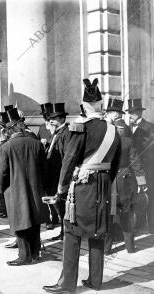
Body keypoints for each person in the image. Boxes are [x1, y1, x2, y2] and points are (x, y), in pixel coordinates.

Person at [43, 78, 121, 293]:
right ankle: (95, 281)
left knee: (72, 233)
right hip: (102, 187)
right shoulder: (114, 130)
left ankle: (67, 284)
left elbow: (68, 160)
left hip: (81, 189)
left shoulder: (79, 127)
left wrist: (61, 188)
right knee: (97, 233)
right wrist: (103, 182)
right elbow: (114, 166)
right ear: (101, 105)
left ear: (85, 106)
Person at [0, 108, 46, 266]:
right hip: (35, 188)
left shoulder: (6, 147)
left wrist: (2, 188)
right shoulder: (37, 144)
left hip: (15, 190)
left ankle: (24, 256)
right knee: (34, 219)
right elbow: (45, 168)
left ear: (10, 129)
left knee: (20, 221)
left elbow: (0, 172)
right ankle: (36, 253)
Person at [104, 119, 146, 254]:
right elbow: (135, 162)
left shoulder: (106, 142)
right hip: (125, 181)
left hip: (108, 181)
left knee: (108, 215)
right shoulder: (128, 141)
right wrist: (142, 182)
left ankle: (106, 248)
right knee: (127, 213)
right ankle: (130, 247)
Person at [126, 98, 154, 233]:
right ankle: (141, 223)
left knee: (150, 196)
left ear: (139, 113)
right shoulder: (128, 128)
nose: (130, 115)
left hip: (147, 169)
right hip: (134, 169)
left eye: (132, 113)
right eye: (129, 113)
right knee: (138, 197)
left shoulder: (150, 127)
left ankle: (152, 227)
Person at [44, 103, 71, 240]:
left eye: (53, 119)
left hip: (59, 175)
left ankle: (66, 233)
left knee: (62, 206)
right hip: (53, 175)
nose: (50, 121)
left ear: (61, 119)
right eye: (50, 119)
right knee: (59, 206)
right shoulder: (56, 133)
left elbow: (66, 157)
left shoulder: (66, 133)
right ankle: (63, 232)